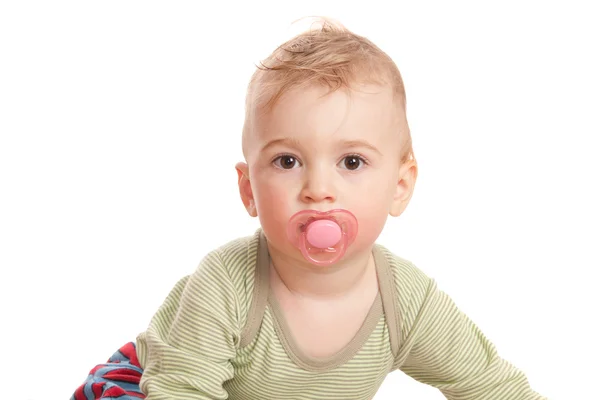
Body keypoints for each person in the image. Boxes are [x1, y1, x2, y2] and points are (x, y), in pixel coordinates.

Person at [71, 18, 546, 400]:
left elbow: (492, 385)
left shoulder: (407, 302)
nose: (319, 189)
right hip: (154, 382)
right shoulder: (225, 282)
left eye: (352, 161)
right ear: (249, 190)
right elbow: (180, 389)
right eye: (287, 161)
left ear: (399, 186)